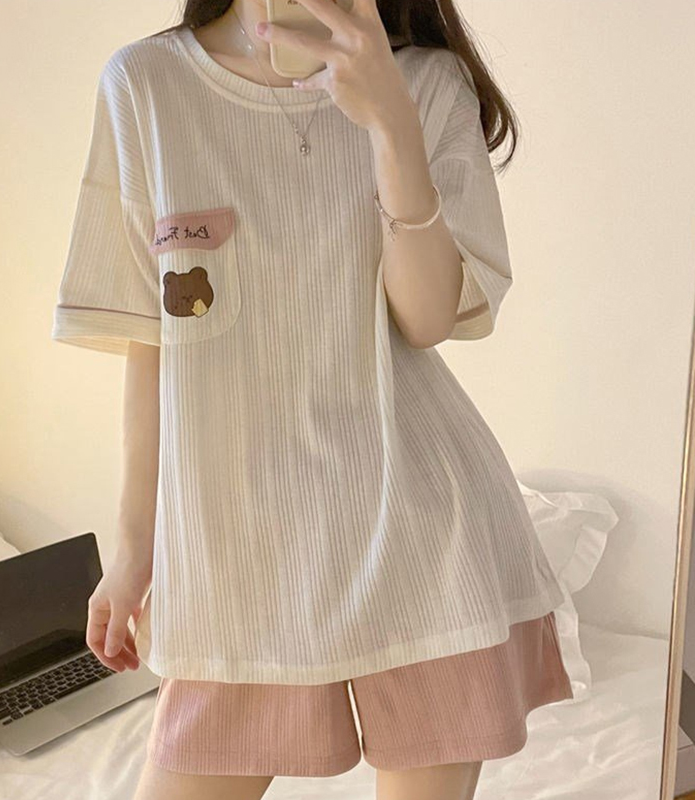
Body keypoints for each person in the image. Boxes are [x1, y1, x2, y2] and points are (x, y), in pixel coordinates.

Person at [51, 0, 574, 798]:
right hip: (238, 563)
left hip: (422, 546)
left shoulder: (426, 83)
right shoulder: (147, 85)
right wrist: (132, 551)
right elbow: (151, 341)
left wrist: (391, 122)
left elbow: (427, 319)